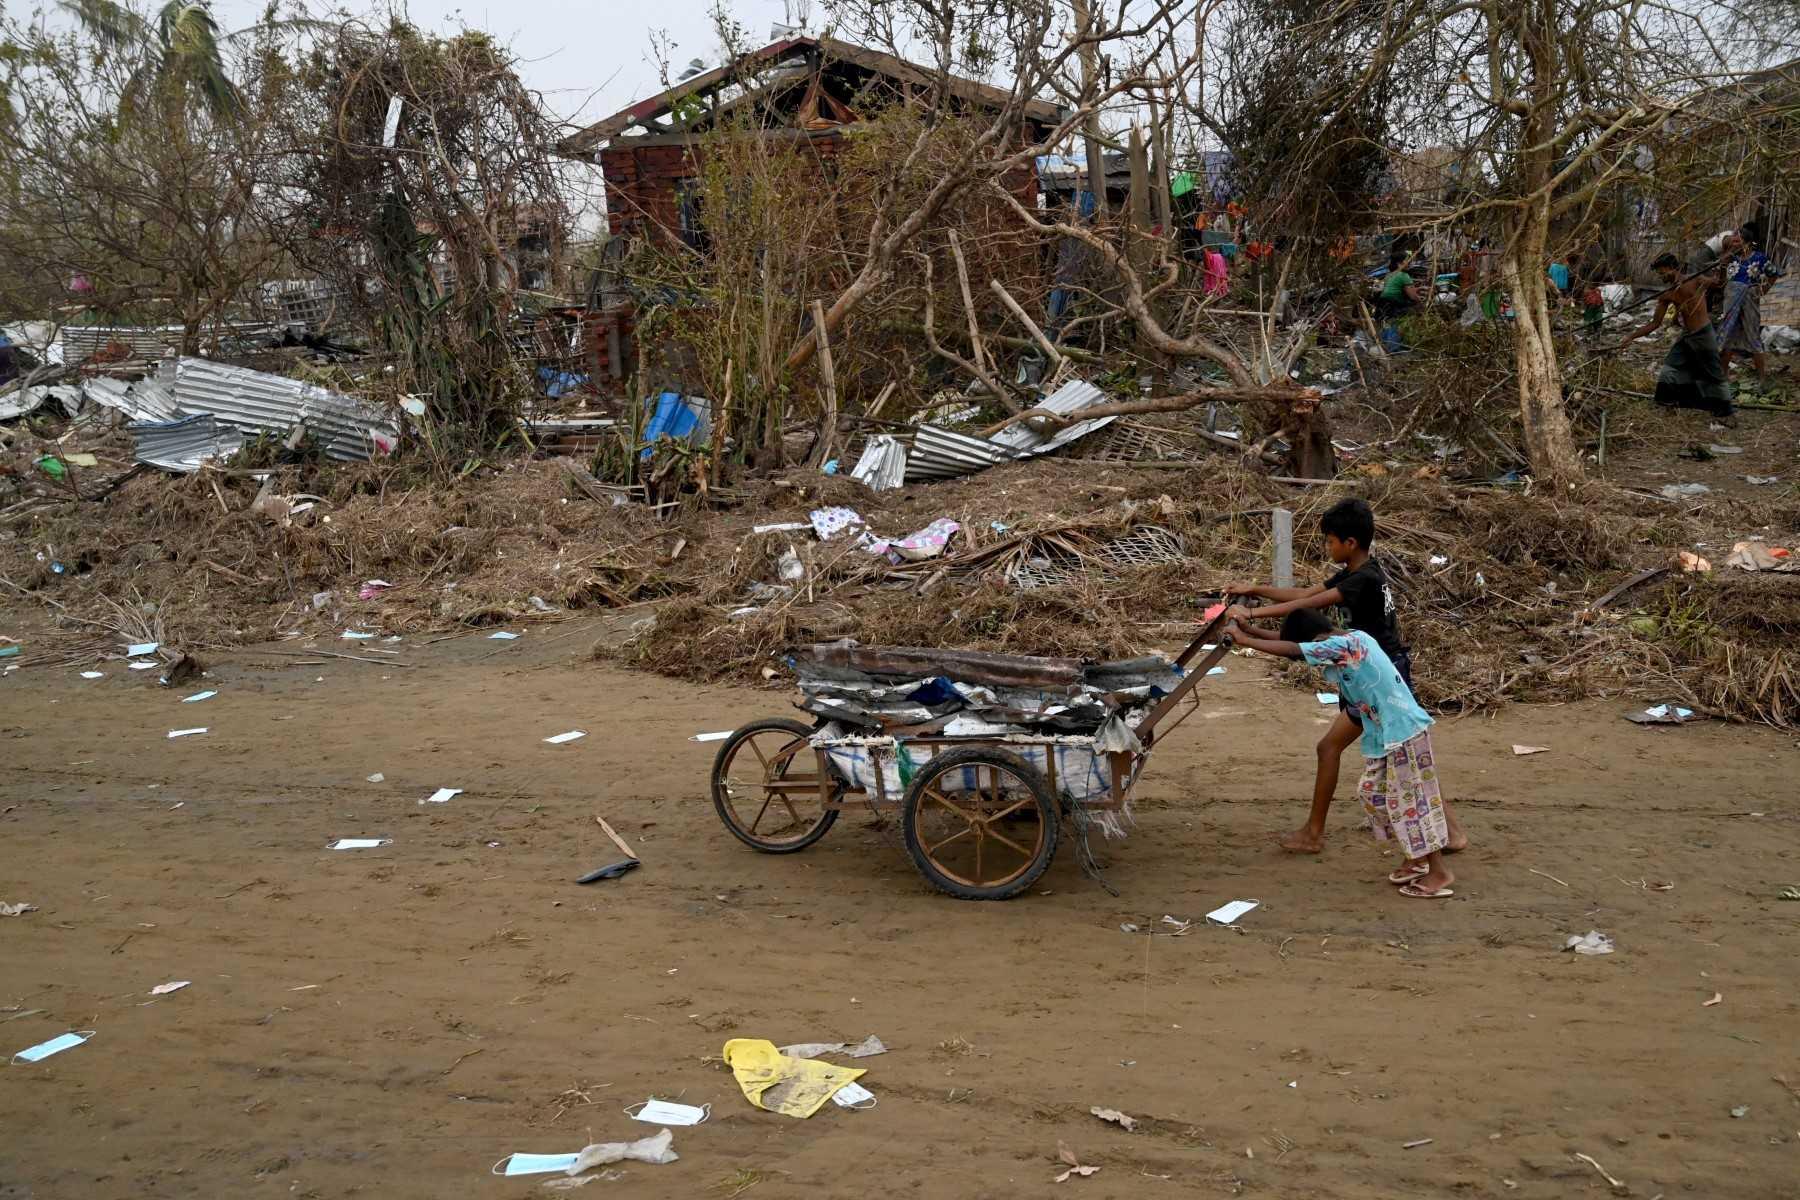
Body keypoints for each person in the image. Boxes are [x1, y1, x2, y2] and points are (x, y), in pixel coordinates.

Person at [1224, 497, 1467, 856]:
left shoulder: (1363, 580)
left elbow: (1306, 606)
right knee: (1406, 751)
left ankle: (1314, 833)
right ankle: (1451, 831)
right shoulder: (1360, 572)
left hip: (1379, 678)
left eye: (1330, 541)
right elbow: (1305, 594)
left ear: (1349, 543)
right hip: (1370, 672)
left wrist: (1250, 618)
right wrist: (1254, 591)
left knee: (1339, 748)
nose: (1327, 547)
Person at [1225, 608, 1456, 898]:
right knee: (1372, 794)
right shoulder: (1346, 639)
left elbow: (1294, 646)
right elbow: (1292, 644)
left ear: (1318, 640)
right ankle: (1417, 856)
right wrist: (1249, 632)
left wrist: (1244, 640)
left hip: (1405, 732)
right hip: (1387, 735)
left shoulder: (1347, 645)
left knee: (1410, 801)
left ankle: (1439, 871)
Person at [1620, 251, 1733, 422]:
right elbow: (1654, 324)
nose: (1660, 276)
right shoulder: (1667, 294)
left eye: (1661, 272)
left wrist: (1723, 265)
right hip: (1687, 336)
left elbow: (1720, 283)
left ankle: (1726, 413)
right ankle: (1668, 404)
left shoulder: (1695, 279)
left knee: (1714, 374)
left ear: (1671, 268)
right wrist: (1631, 337)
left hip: (1703, 333)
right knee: (1670, 369)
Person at [1720, 236, 1782, 391]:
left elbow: (1773, 274)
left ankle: (1762, 378)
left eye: (1736, 241)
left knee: (1753, 337)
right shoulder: (1731, 259)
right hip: (1731, 302)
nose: (1733, 245)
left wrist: (1762, 291)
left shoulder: (1759, 258)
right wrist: (1722, 263)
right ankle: (1722, 376)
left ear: (1747, 242)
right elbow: (1721, 282)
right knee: (1728, 337)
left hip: (1749, 302)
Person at [1374, 250, 1420, 320]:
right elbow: (1413, 297)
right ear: (1399, 263)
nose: (1409, 263)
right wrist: (1422, 302)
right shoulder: (1404, 275)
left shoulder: (1388, 275)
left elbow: (1382, 290)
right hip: (1393, 309)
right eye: (1407, 260)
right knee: (1418, 307)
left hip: (1381, 308)